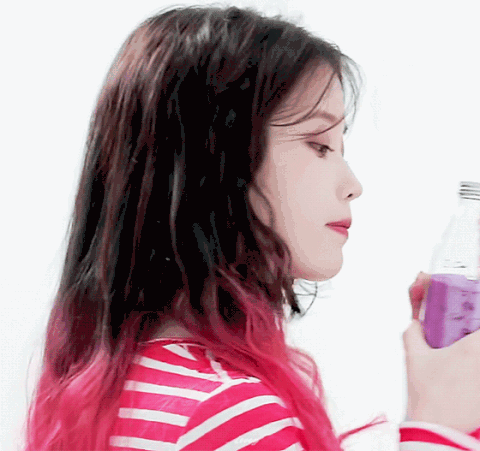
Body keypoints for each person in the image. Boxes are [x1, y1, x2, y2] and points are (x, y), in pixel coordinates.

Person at [21, 4, 480, 451]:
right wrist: (438, 423)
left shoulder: (129, 383)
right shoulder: (229, 414)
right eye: (319, 145)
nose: (352, 185)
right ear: (213, 161)